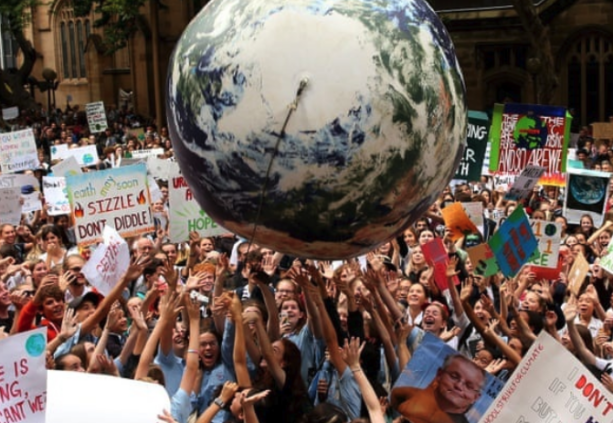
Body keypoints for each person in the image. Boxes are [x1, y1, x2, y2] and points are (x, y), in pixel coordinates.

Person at [391, 354, 486, 423]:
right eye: (454, 376)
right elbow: (393, 397)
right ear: (439, 374)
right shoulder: (412, 393)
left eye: (469, 386)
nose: (459, 386)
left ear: (475, 397)